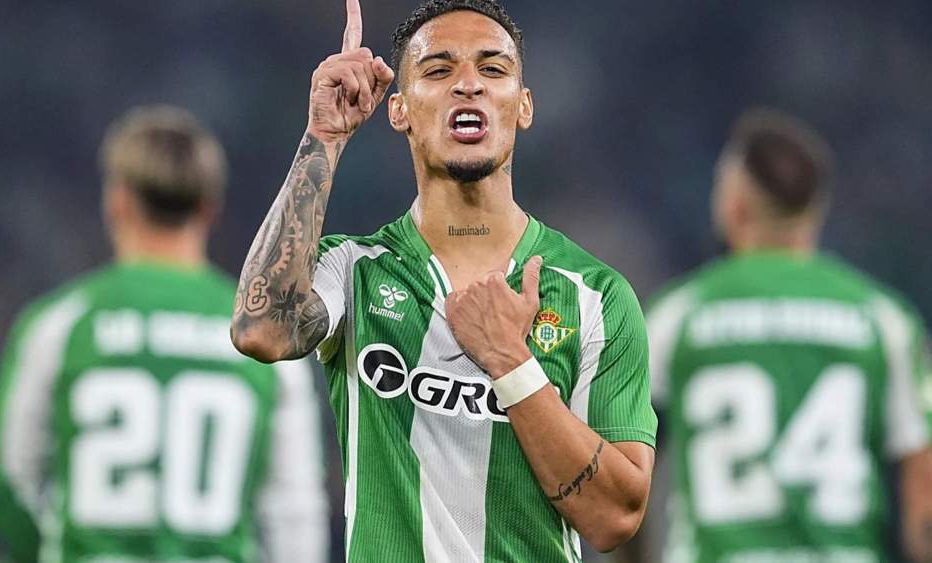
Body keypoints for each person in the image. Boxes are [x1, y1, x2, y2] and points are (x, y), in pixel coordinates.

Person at [230, 0, 657, 560]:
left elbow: (615, 518)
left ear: (523, 105)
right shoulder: (353, 271)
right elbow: (261, 330)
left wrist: (512, 364)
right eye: (438, 70)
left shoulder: (595, 296)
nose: (468, 84)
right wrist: (324, 136)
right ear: (399, 109)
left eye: (493, 69)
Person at [0, 105, 329, 563]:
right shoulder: (262, 336)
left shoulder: (60, 324)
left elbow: (11, 481)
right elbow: (294, 511)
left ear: (118, 201)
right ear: (209, 208)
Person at [645, 109, 932, 563]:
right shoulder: (885, 320)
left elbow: (623, 483)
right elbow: (924, 512)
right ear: (816, 209)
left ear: (734, 205)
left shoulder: (675, 318)